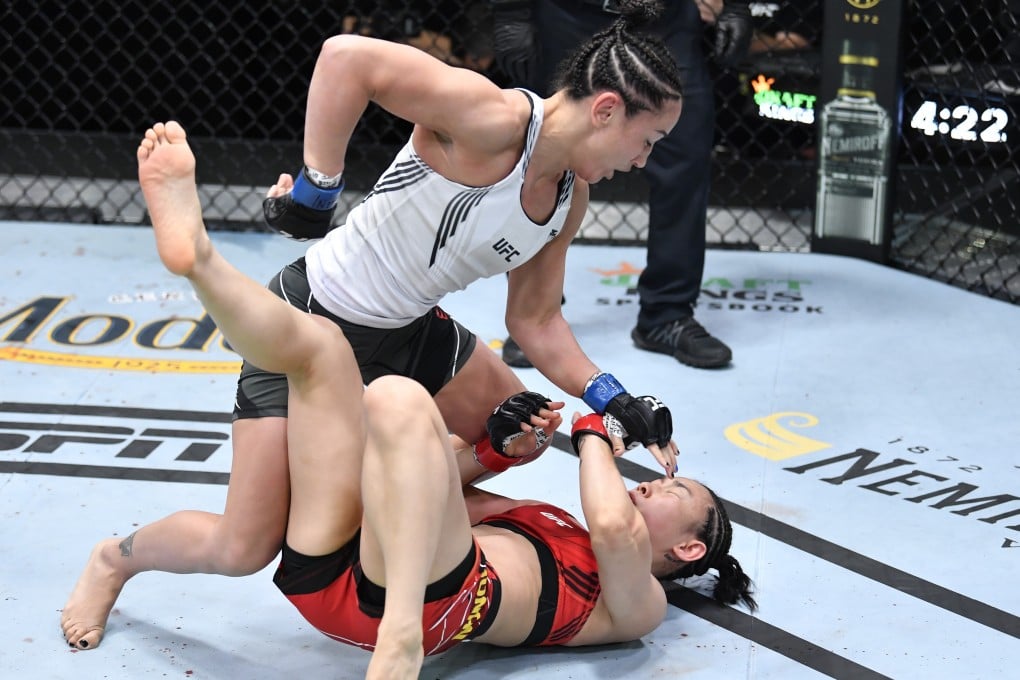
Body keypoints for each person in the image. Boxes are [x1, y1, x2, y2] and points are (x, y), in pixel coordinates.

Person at [61, 4, 684, 650]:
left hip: (414, 330)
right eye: (650, 140)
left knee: (519, 424)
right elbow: (344, 59)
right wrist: (317, 190)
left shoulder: (568, 197)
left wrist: (612, 397)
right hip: (321, 314)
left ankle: (392, 529)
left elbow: (535, 319)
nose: (643, 161)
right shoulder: (492, 118)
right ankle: (116, 558)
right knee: (243, 545)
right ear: (607, 110)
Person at [492, 0, 754, 370]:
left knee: (685, 151)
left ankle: (667, 314)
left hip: (665, 17)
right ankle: (532, 315)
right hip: (569, 13)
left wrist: (735, 7)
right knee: (546, 154)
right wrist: (511, 12)